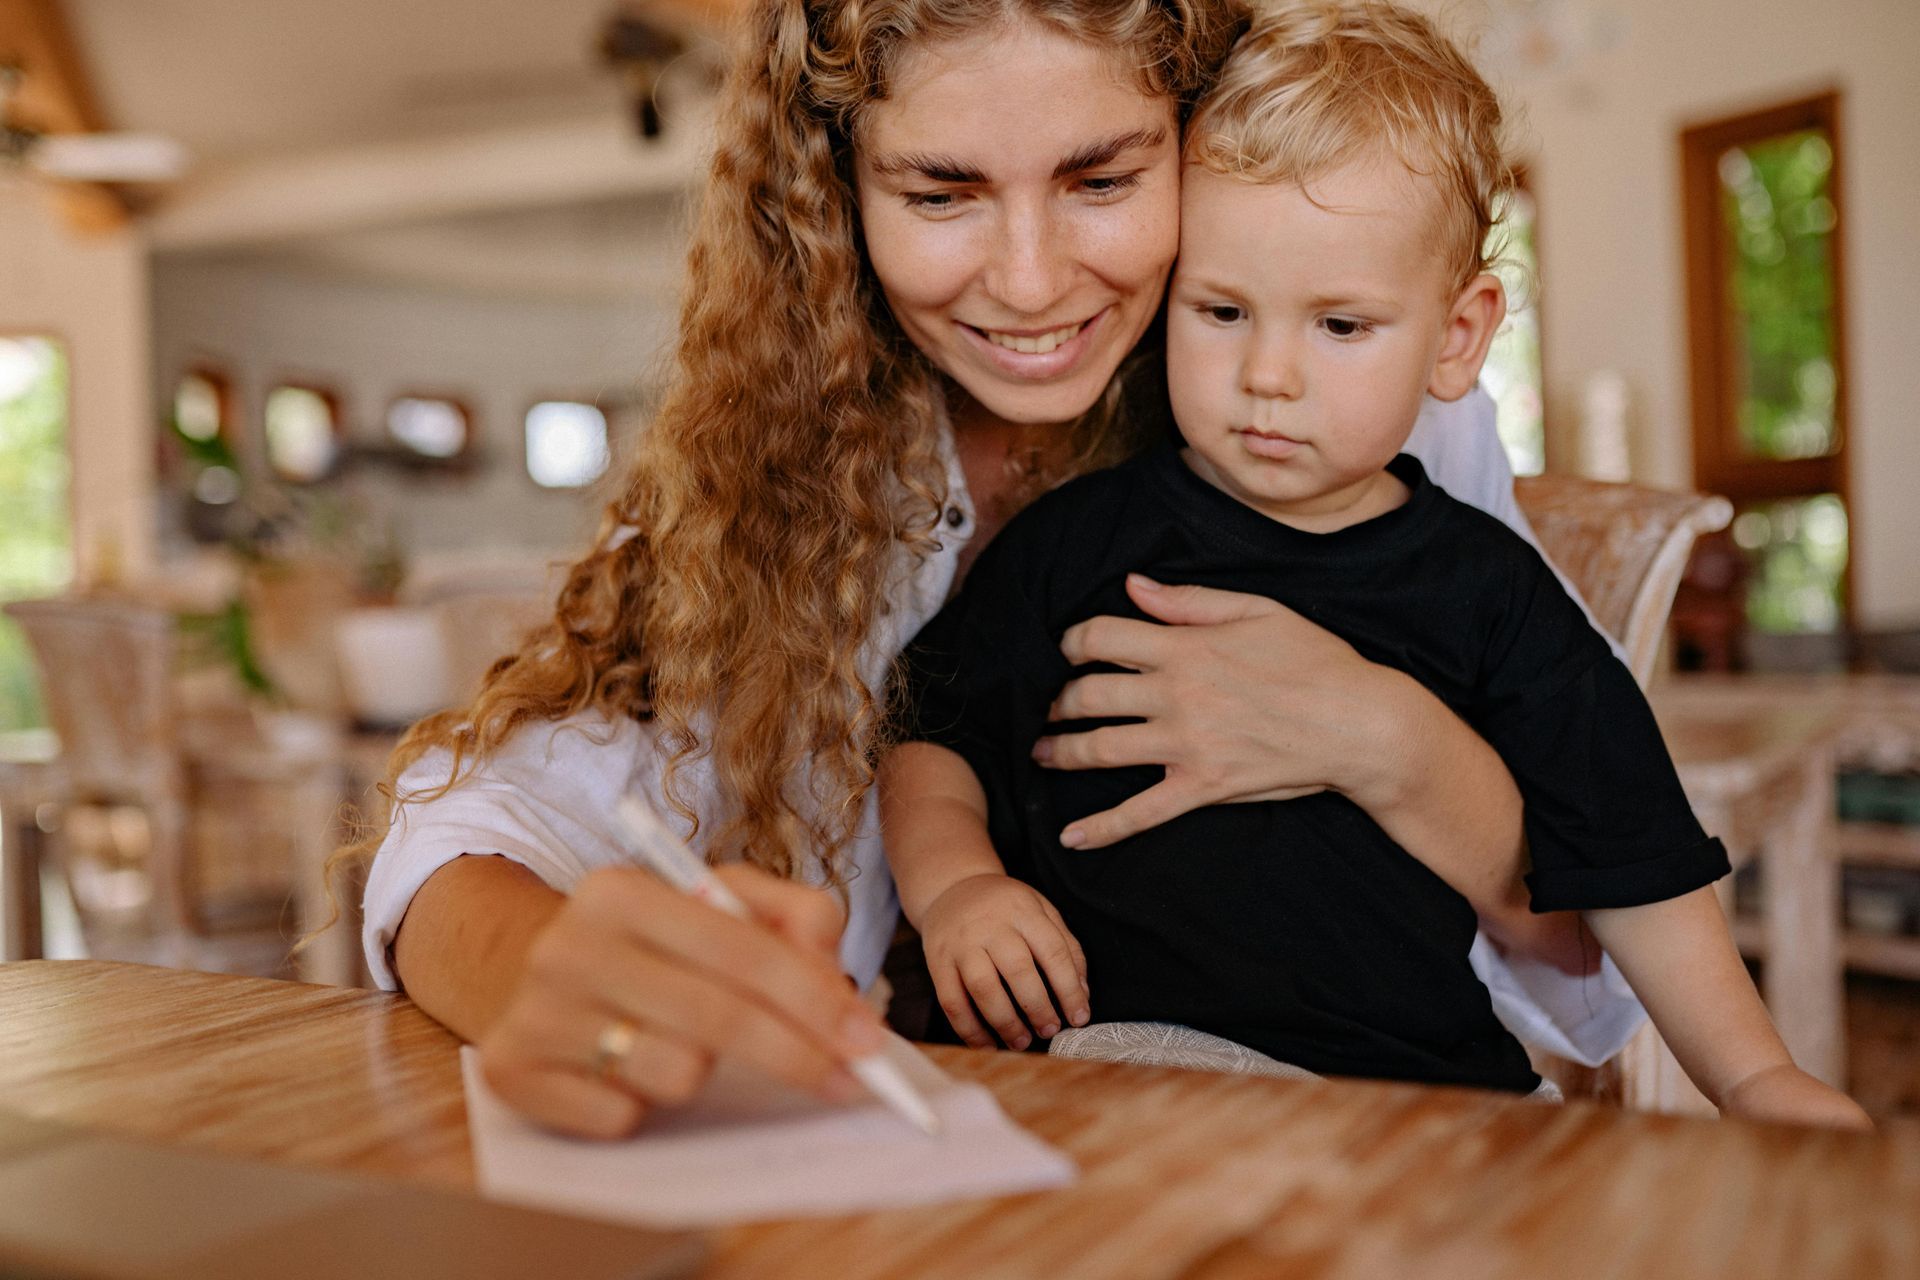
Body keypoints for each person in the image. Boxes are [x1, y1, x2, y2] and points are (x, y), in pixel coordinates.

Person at [349, 0, 1628, 1141]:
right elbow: (455, 840)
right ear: (839, 191)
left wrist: (1388, 738)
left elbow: (1584, 958)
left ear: (1195, 131)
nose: (1029, 283)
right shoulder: (778, 454)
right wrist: (554, 974)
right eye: (941, 194)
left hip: (1352, 1141)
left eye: (1103, 178)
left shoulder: (1353, 389)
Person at [879, 0, 1870, 1126]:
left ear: (1456, 338)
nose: (1268, 373)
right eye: (1222, 309)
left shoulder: (1487, 589)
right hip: (1141, 1059)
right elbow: (929, 729)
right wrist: (957, 884)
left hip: (1438, 1084)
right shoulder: (1077, 538)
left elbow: (1634, 854)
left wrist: (1752, 1073)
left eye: (1339, 326)